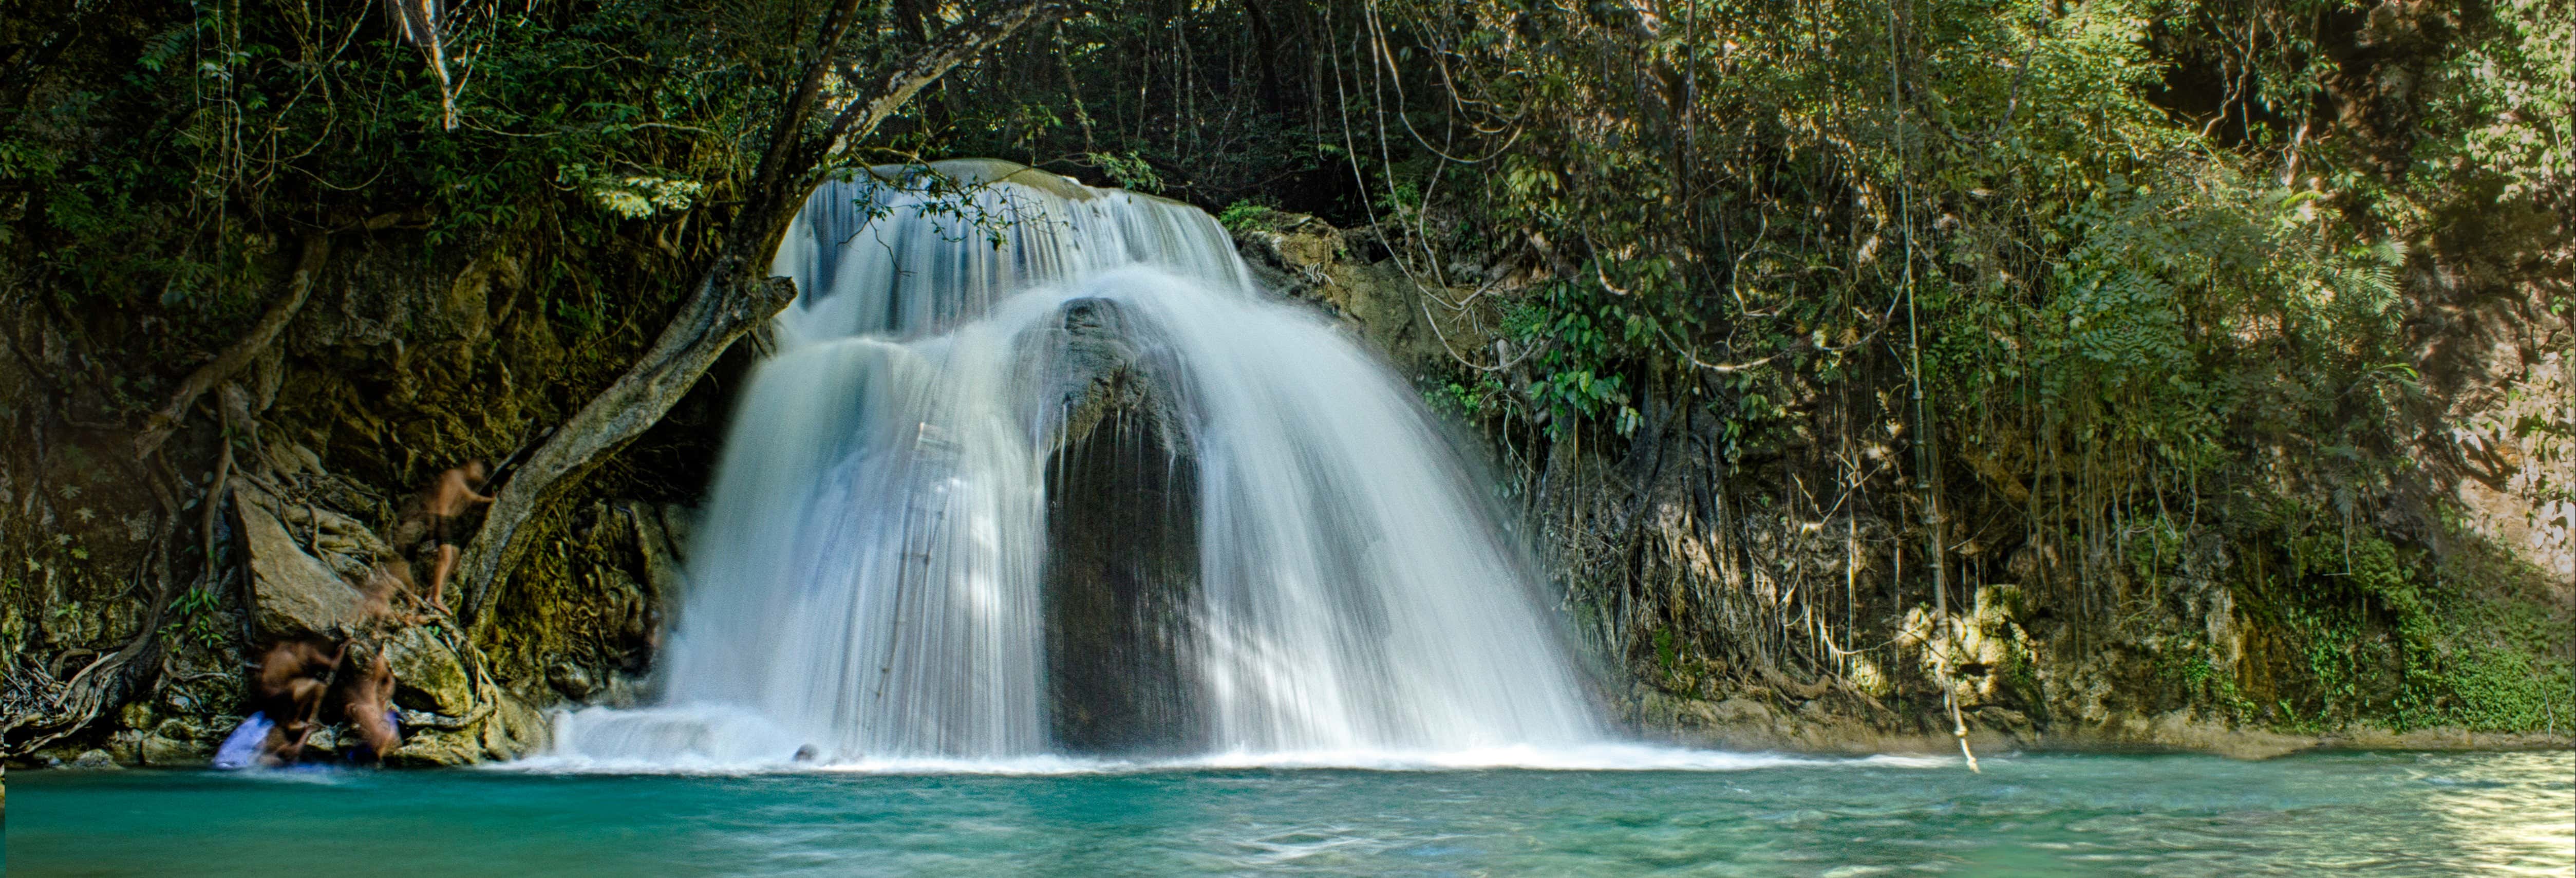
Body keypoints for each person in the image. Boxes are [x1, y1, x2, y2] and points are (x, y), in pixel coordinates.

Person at [421, 460, 496, 612]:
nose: (478, 474)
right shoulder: (454, 476)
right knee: (446, 558)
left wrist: (490, 496)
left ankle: (435, 590)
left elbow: (469, 497)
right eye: (477, 470)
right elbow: (459, 498)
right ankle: (435, 598)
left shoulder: (458, 478)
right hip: (440, 520)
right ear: (468, 466)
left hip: (446, 521)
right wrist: (493, 500)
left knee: (455, 554)